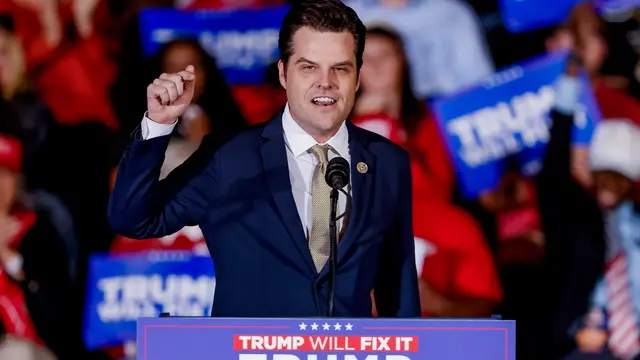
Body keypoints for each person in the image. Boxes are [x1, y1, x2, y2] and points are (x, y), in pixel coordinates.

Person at [108, 0, 420, 318]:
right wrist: (158, 124)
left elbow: (398, 291)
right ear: (283, 73)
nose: (325, 82)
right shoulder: (228, 156)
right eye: (309, 67)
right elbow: (134, 219)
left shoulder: (387, 160)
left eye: (340, 68)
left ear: (357, 78)